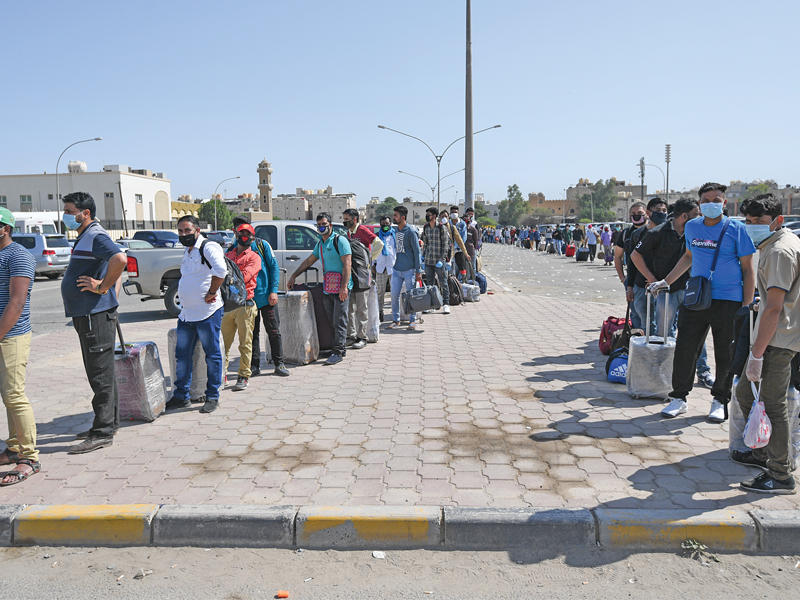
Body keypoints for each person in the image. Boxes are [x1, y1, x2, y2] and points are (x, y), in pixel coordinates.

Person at [649, 182, 756, 422]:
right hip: (696, 298)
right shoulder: (693, 227)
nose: (711, 204)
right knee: (686, 348)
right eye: (706, 200)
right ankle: (679, 398)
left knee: (724, 353)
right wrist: (666, 281)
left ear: (724, 203)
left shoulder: (737, 229)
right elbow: (688, 257)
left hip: (728, 300)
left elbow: (748, 269)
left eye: (716, 200)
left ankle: (720, 400)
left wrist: (746, 306)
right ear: (699, 204)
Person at [732, 194, 800, 494]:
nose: (752, 227)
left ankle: (780, 474)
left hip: (777, 339)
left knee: (773, 405)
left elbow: (774, 308)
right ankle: (762, 453)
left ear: (777, 220)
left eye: (758, 222)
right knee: (746, 393)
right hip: (775, 333)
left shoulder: (779, 252)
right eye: (748, 221)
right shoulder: (778, 244)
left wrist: (757, 354)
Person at [60, 192, 127, 453]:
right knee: (103, 372)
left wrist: (102, 288)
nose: (65, 215)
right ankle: (109, 423)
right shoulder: (86, 236)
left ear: (84, 213)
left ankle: (102, 432)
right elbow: (117, 262)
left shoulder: (95, 235)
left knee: (99, 375)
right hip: (90, 314)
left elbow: (120, 260)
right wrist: (109, 292)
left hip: (94, 316)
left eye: (69, 210)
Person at [631, 198, 714, 388]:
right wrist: (653, 280)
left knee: (696, 332)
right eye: (696, 215)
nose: (700, 219)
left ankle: (703, 372)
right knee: (663, 334)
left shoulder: (696, 234)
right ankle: (661, 374)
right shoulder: (658, 232)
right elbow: (635, 256)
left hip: (692, 290)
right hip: (666, 293)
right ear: (684, 216)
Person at [168, 215, 227, 414]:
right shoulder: (188, 250)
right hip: (187, 315)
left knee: (212, 355)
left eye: (187, 231)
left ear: (197, 231)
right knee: (182, 355)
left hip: (207, 313)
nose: (184, 235)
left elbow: (221, 270)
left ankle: (212, 397)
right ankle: (181, 396)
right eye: (181, 231)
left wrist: (211, 292)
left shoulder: (208, 247)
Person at [0, 208, 40, 485]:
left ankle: (30, 457)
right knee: (6, 395)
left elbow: (17, 301)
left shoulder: (19, 256)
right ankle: (14, 448)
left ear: (5, 228)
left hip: (11, 335)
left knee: (14, 395)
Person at [229, 217, 289, 378]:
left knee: (274, 330)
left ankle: (279, 363)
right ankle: (254, 366)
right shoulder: (232, 249)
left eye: (243, 230)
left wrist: (274, 291)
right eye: (237, 230)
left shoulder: (262, 245)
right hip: (247, 300)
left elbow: (273, 267)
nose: (240, 233)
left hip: (266, 297)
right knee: (251, 334)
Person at [288, 213, 352, 365]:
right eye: (319, 225)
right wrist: (293, 276)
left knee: (340, 320)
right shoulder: (321, 244)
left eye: (324, 224)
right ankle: (337, 347)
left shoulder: (340, 241)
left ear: (330, 224)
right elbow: (309, 261)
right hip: (328, 287)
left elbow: (347, 264)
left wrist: (344, 287)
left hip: (341, 288)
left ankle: (338, 351)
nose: (321, 227)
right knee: (331, 320)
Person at [219, 224, 262, 391]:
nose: (244, 237)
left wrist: (226, 275)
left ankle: (244, 375)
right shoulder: (228, 255)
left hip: (245, 305)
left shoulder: (254, 257)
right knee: (224, 344)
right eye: (241, 234)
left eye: (247, 234)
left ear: (252, 237)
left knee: (245, 344)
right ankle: (222, 374)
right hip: (227, 306)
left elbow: (244, 277)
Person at [342, 208, 383, 349]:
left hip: (362, 275)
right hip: (351, 274)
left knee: (361, 308)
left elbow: (379, 243)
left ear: (354, 219)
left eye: (347, 219)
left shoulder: (363, 230)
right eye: (344, 219)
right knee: (350, 308)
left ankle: (362, 337)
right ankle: (351, 335)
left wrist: (369, 260)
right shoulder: (348, 233)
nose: (345, 221)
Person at [628, 198, 668, 335]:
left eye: (664, 210)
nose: (662, 213)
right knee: (646, 324)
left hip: (664, 286)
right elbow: (632, 263)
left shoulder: (671, 233)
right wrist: (629, 286)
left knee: (666, 325)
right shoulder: (637, 234)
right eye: (658, 211)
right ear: (649, 213)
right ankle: (646, 353)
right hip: (641, 286)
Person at [389, 205, 423, 330]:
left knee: (411, 297)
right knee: (394, 296)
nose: (394, 217)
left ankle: (412, 321)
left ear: (402, 217)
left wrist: (418, 270)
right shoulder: (395, 230)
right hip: (397, 270)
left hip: (410, 270)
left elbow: (417, 252)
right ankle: (395, 320)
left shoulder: (411, 231)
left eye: (396, 215)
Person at [615, 203, 647, 329]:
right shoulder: (625, 234)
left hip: (652, 280)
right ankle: (637, 341)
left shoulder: (654, 232)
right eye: (633, 214)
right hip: (632, 281)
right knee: (635, 314)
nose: (636, 216)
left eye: (639, 214)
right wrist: (623, 278)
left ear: (647, 214)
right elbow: (617, 256)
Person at [421, 207, 452, 314]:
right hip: (429, 260)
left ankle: (446, 304)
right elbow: (425, 243)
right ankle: (431, 304)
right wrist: (423, 256)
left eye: (429, 214)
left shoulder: (441, 228)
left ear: (434, 216)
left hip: (439, 261)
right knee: (429, 283)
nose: (427, 216)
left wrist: (442, 259)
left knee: (443, 283)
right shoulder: (426, 228)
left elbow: (445, 245)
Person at [374, 216, 396, 323]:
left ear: (390, 224)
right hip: (380, 268)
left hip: (393, 267)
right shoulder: (377, 237)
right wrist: (373, 265)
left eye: (387, 224)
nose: (385, 226)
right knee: (380, 292)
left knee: (394, 292)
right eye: (383, 224)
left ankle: (395, 313)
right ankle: (379, 312)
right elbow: (372, 252)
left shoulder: (394, 235)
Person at [449, 208, 469, 281]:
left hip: (459, 249)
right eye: (452, 212)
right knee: (450, 267)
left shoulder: (462, 223)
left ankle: (463, 281)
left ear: (458, 213)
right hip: (450, 250)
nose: (454, 213)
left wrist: (457, 247)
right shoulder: (448, 223)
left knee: (461, 266)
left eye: (455, 212)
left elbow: (464, 237)